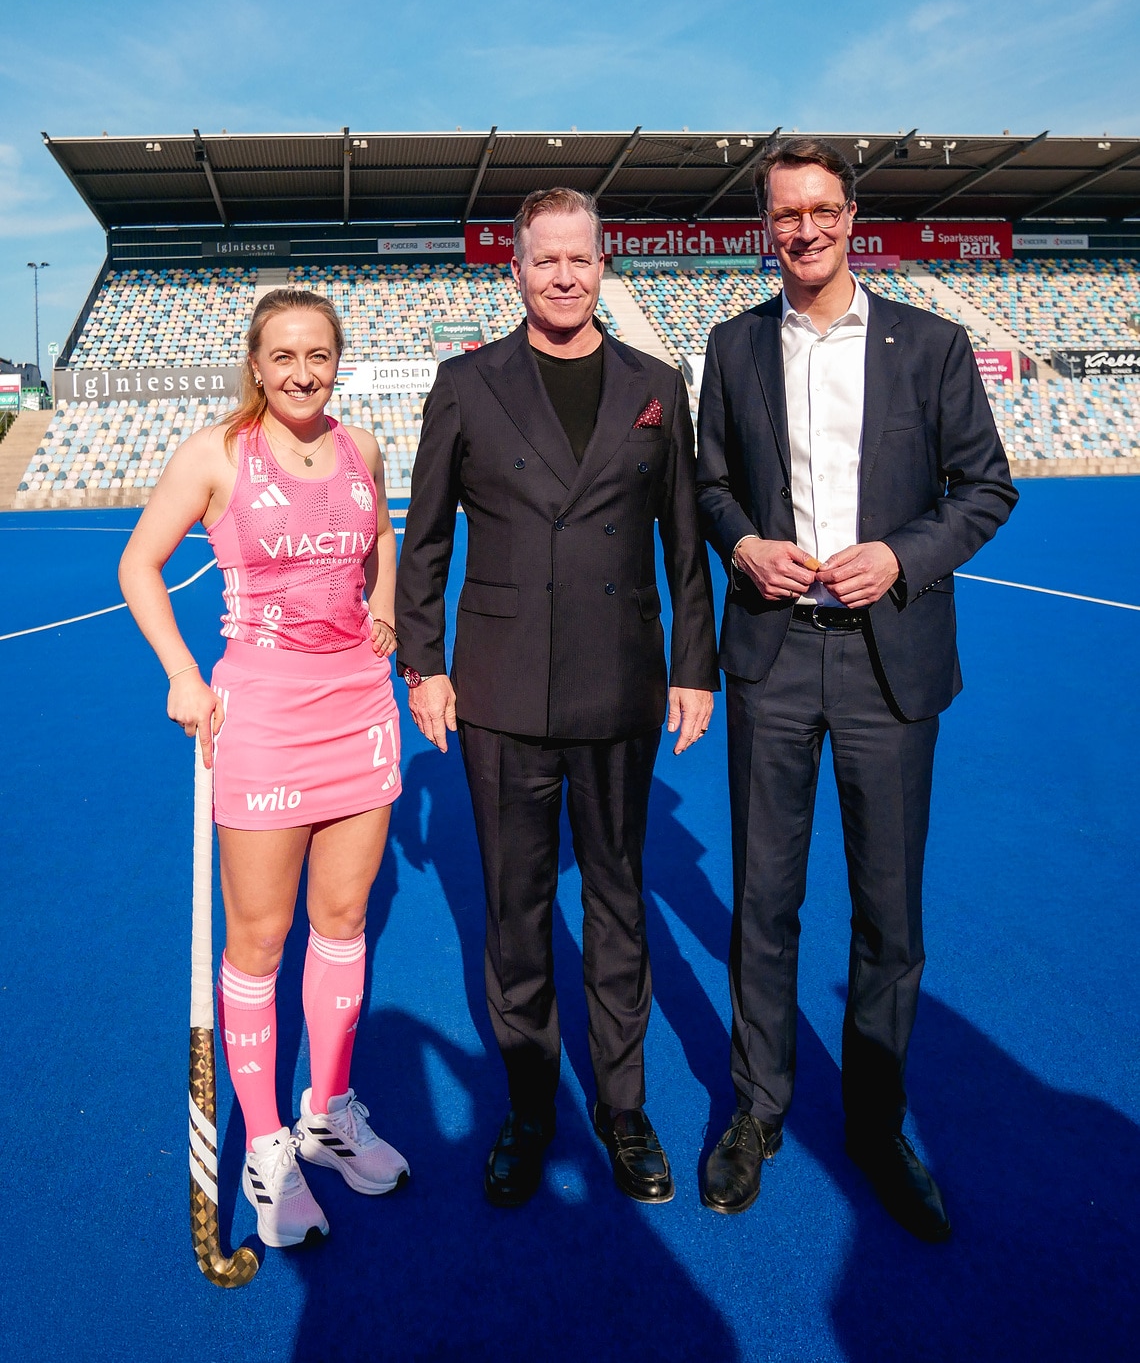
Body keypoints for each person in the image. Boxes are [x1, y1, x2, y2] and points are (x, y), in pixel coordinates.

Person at [695, 137, 1017, 1240]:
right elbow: (710, 484)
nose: (805, 230)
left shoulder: (932, 344)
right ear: (766, 226)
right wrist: (742, 545)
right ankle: (756, 1113)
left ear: (852, 217)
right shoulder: (732, 346)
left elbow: (986, 487)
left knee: (889, 915)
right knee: (763, 901)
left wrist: (905, 556)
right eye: (786, 214)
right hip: (775, 659)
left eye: (822, 210)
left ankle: (877, 1124)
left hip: (891, 659)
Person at [396, 187, 718, 1207]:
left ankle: (623, 1110)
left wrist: (693, 665)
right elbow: (428, 539)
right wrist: (426, 663)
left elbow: (685, 545)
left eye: (582, 260)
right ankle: (530, 1104)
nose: (566, 277)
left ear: (604, 266)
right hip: (498, 691)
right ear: (518, 271)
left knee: (619, 906)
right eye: (547, 262)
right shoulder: (465, 382)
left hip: (621, 686)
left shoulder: (658, 381)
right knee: (516, 910)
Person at [119, 287, 409, 1249]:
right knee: (259, 936)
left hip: (360, 704)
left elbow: (379, 536)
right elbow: (139, 564)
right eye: (282, 354)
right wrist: (181, 672)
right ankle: (266, 1144)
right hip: (266, 715)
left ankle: (329, 1109)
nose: (300, 370)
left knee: (342, 917)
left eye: (317, 354)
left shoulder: (362, 445)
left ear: (337, 359)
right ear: (255, 363)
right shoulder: (214, 454)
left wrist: (392, 610)